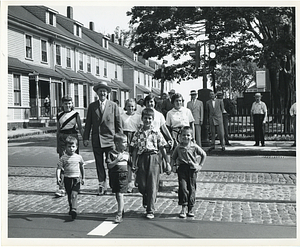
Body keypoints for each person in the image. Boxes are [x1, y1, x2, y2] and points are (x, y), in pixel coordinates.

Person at [131, 108, 171, 219]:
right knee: (142, 184)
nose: (147, 121)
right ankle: (145, 195)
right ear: (142, 119)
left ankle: (150, 209)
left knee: (153, 184)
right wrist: (133, 163)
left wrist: (167, 162)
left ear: (152, 120)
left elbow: (162, 148)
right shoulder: (137, 133)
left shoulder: (156, 133)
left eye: (149, 118)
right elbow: (134, 149)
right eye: (145, 118)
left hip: (154, 158)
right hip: (142, 158)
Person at [83, 81, 122, 195]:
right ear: (97, 92)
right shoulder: (92, 106)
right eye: (100, 91)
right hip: (97, 139)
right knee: (99, 164)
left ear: (107, 93)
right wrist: (86, 138)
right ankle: (101, 184)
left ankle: (113, 184)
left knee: (111, 163)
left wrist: (120, 140)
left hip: (110, 139)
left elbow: (118, 124)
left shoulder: (113, 106)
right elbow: (88, 123)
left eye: (104, 91)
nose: (102, 93)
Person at [171, 126, 206, 218]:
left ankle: (190, 208)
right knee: (183, 188)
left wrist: (200, 166)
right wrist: (173, 166)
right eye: (183, 135)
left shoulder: (194, 147)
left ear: (191, 137)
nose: (185, 137)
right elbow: (173, 157)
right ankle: (183, 207)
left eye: (188, 135)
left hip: (192, 169)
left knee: (191, 188)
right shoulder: (178, 147)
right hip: (182, 168)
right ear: (180, 136)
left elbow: (203, 155)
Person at [55, 95, 84, 197]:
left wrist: (84, 139)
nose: (67, 105)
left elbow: (80, 128)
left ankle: (76, 185)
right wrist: (58, 144)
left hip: (73, 137)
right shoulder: (59, 115)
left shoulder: (75, 114)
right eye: (65, 103)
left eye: (69, 103)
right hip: (62, 138)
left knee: (74, 161)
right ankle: (61, 187)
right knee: (63, 162)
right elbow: (58, 130)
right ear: (62, 104)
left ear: (72, 104)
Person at [56, 136, 85, 220]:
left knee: (74, 194)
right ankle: (71, 207)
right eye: (69, 146)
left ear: (76, 147)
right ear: (65, 147)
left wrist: (83, 177)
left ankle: (74, 209)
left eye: (73, 146)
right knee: (69, 195)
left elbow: (82, 167)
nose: (71, 148)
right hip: (67, 179)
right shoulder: (63, 158)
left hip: (76, 178)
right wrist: (58, 178)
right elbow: (58, 168)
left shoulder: (79, 157)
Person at [143, 93, 173, 174]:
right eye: (148, 102)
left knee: (158, 160)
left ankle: (158, 179)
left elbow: (164, 128)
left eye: (152, 102)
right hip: (145, 139)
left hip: (157, 139)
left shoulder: (159, 115)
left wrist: (170, 138)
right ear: (145, 103)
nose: (150, 104)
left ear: (155, 103)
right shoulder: (142, 114)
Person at [106, 133, 130, 223]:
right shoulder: (111, 153)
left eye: (126, 142)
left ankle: (119, 214)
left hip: (123, 176)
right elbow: (109, 165)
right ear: (117, 144)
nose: (126, 144)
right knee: (117, 194)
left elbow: (130, 164)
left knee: (120, 194)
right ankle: (122, 209)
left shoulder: (127, 154)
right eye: (124, 142)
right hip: (114, 176)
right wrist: (117, 160)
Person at [121, 98, 142, 192]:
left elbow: (140, 128)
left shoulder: (138, 116)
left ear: (135, 107)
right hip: (125, 137)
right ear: (125, 106)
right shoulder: (122, 116)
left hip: (135, 136)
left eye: (132, 106)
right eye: (129, 106)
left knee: (136, 159)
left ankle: (137, 180)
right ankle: (129, 182)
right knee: (127, 160)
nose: (130, 108)